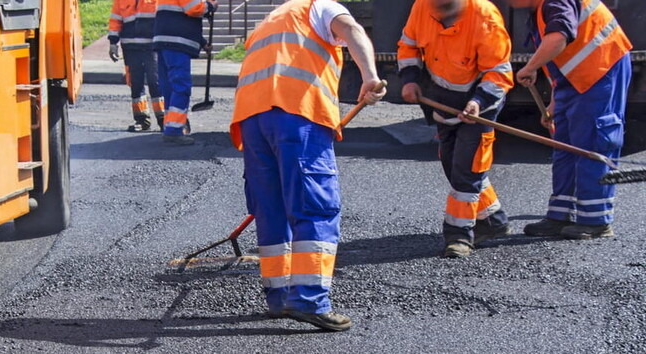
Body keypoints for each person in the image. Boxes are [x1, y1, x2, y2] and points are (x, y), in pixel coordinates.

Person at [230, 0, 386, 331]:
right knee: (315, 206)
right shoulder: (321, 6)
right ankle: (309, 300)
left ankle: (280, 297)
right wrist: (370, 76)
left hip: (253, 119)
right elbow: (352, 30)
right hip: (297, 113)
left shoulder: (271, 20)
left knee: (270, 208)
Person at [507, 0, 632, 240]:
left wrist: (530, 67)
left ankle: (596, 220)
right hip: (573, 79)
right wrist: (555, 102)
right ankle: (560, 215)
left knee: (593, 142)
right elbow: (562, 58)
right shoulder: (539, 10)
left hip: (602, 67)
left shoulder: (555, 2)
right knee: (564, 144)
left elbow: (559, 38)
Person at [398, 0, 514, 258]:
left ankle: (459, 236)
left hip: (480, 106)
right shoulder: (422, 7)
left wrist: (477, 102)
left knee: (467, 170)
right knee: (453, 164)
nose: (439, 13)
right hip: (442, 102)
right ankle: (495, 220)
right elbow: (408, 45)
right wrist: (409, 79)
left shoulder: (485, 18)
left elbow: (498, 74)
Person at [154, 0, 218, 145]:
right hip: (176, 43)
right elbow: (193, 8)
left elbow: (179, 16)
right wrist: (210, 6)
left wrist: (202, 42)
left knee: (169, 87)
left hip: (164, 40)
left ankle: (170, 126)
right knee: (181, 87)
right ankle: (174, 131)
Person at [109, 0, 166, 132]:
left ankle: (163, 119)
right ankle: (142, 120)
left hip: (152, 46)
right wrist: (113, 42)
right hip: (130, 47)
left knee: (155, 82)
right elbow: (116, 20)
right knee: (136, 83)